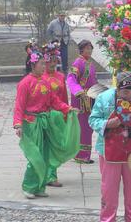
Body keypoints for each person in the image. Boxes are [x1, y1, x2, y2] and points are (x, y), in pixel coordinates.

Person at [89, 71, 131, 221]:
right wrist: (107, 123)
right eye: (125, 91)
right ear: (117, 88)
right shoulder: (104, 98)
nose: (129, 94)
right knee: (109, 190)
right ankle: (107, 219)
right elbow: (93, 119)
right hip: (109, 152)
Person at [13, 51, 80, 199]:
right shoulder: (25, 83)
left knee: (44, 156)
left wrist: (68, 108)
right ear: (33, 64)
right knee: (34, 156)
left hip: (44, 123)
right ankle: (28, 186)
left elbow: (54, 101)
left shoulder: (45, 82)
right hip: (30, 124)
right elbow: (19, 106)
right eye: (42, 63)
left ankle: (39, 187)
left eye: (45, 63)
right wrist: (18, 125)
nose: (45, 66)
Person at [41, 41, 69, 187]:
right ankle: (45, 175)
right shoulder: (40, 77)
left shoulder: (60, 76)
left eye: (54, 60)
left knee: (55, 145)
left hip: (57, 116)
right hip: (43, 116)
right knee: (43, 145)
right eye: (49, 61)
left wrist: (66, 112)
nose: (52, 63)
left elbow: (64, 96)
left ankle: (51, 174)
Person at [67, 40, 97, 164]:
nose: (89, 51)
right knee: (82, 127)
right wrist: (79, 92)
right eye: (87, 48)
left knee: (88, 127)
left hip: (90, 98)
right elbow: (71, 79)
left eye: (90, 48)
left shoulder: (90, 64)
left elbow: (94, 81)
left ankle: (85, 154)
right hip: (81, 99)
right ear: (81, 50)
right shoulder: (77, 63)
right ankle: (81, 155)